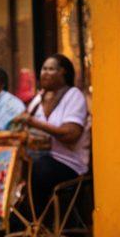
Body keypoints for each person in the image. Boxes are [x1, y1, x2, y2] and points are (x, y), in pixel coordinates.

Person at [15, 54, 91, 213]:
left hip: (69, 164)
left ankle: (34, 220)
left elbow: (71, 134)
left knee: (40, 167)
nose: (45, 73)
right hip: (40, 160)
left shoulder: (73, 96)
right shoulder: (38, 99)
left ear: (63, 72)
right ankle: (15, 217)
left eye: (50, 69)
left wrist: (33, 122)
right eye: (43, 69)